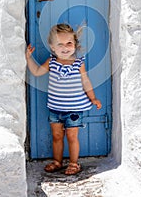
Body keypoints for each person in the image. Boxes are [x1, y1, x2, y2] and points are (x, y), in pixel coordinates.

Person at [26, 23, 102, 175]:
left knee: (72, 136)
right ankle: (57, 161)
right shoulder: (52, 62)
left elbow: (85, 81)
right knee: (57, 136)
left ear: (75, 45)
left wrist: (93, 98)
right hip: (55, 108)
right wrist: (28, 57)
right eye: (60, 44)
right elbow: (36, 72)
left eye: (69, 43)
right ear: (52, 47)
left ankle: (74, 163)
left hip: (74, 109)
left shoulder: (78, 63)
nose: (65, 47)